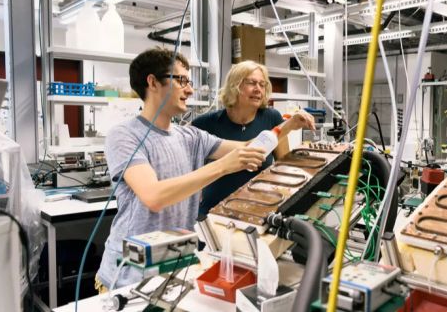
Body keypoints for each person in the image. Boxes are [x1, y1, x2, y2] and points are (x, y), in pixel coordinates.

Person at [95, 49, 310, 291]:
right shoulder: (124, 135)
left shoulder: (190, 135)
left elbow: (251, 147)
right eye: (182, 81)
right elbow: (153, 196)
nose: (189, 90)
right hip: (129, 276)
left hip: (175, 267)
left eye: (190, 82)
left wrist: (287, 126)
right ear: (153, 82)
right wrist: (221, 167)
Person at [192, 61, 315, 216]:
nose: (258, 89)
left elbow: (283, 165)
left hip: (258, 211)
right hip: (213, 212)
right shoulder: (206, 123)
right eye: (251, 83)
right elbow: (189, 169)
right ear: (234, 86)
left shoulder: (272, 118)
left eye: (262, 85)